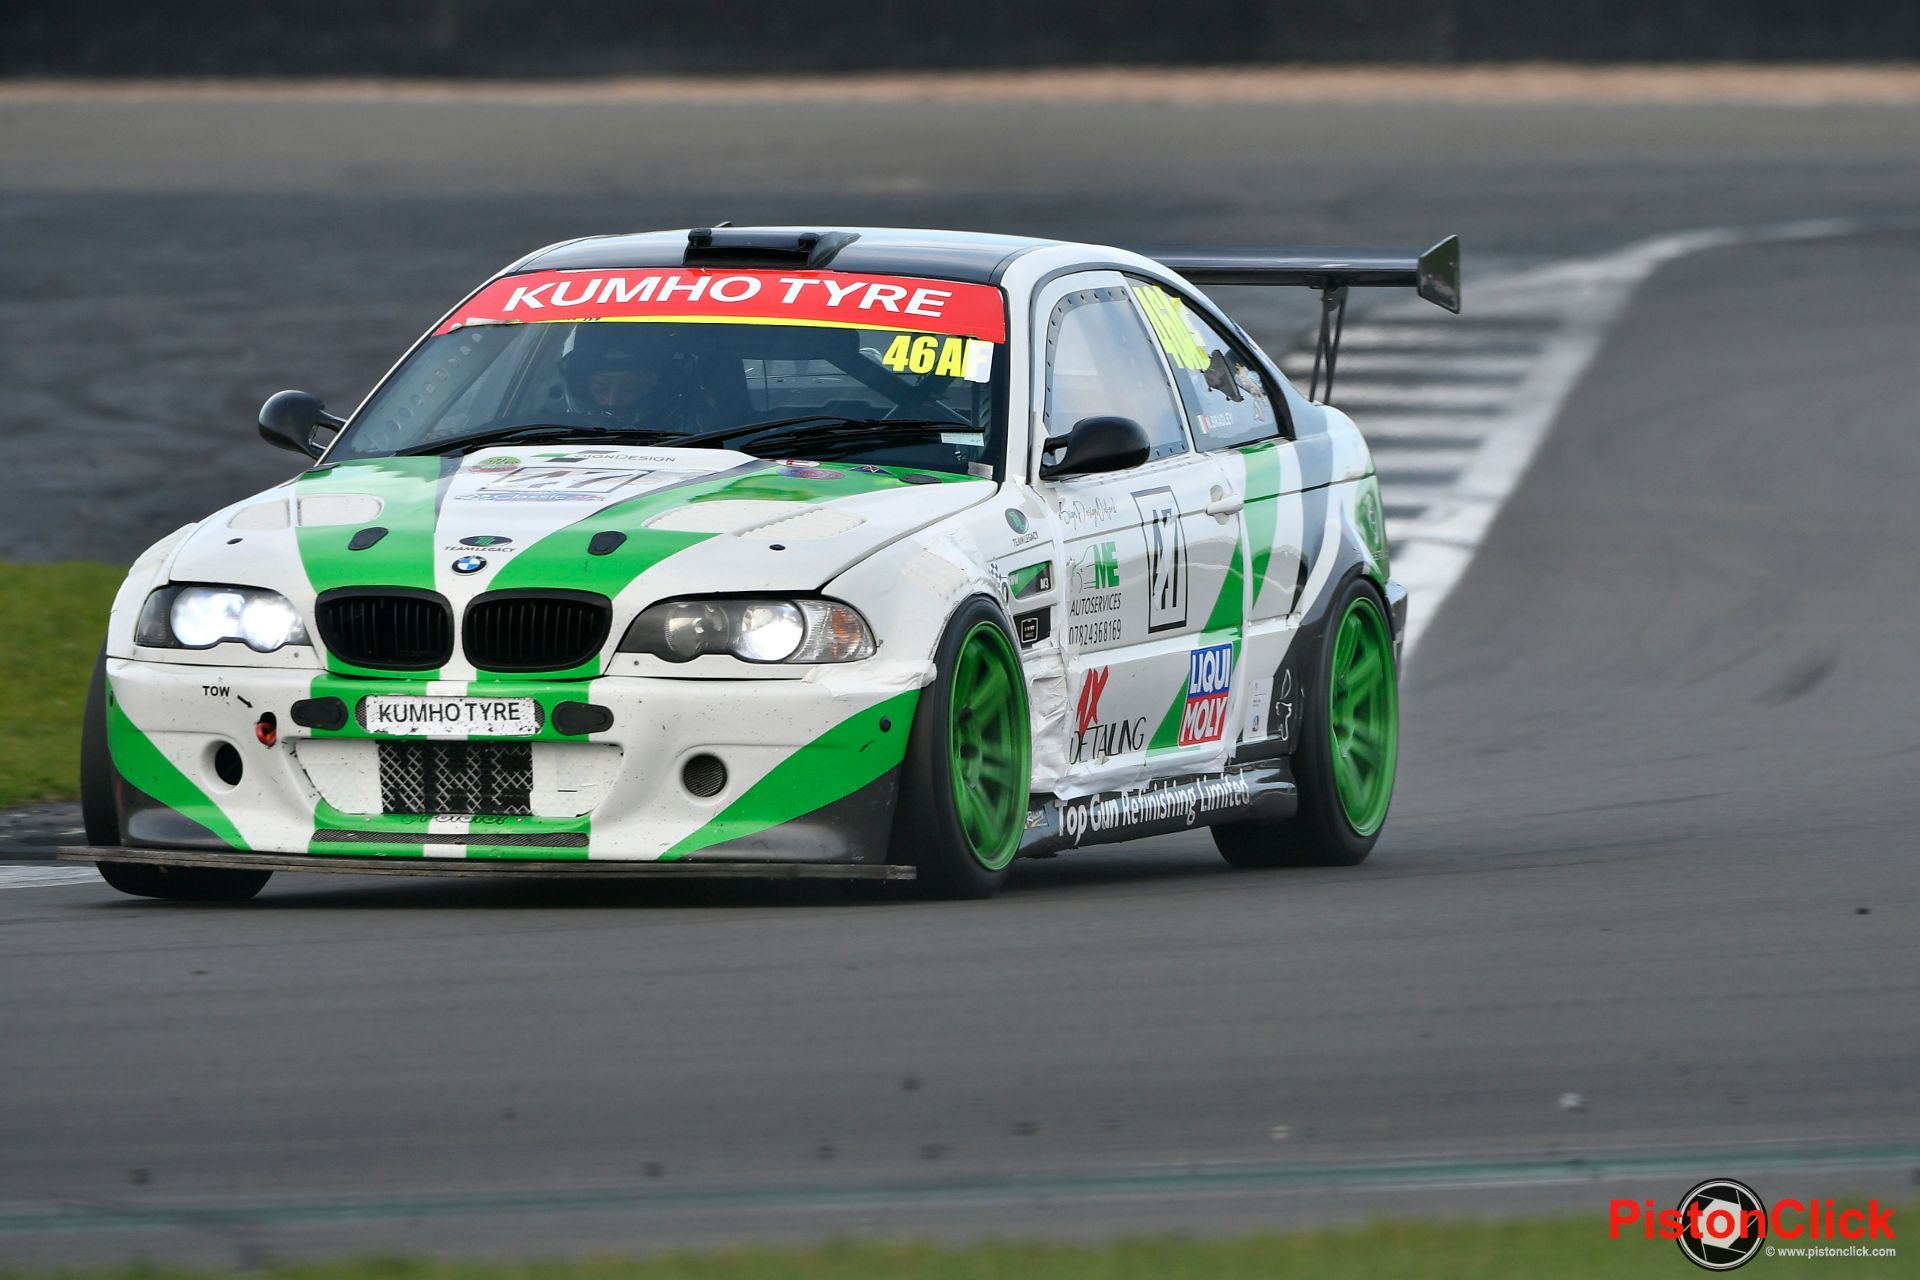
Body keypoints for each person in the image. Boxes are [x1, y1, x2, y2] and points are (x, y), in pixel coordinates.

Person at [558, 324, 706, 430]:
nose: (613, 402)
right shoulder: (555, 429)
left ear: (654, 386)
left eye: (629, 389)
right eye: (600, 390)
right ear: (584, 388)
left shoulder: (699, 429)